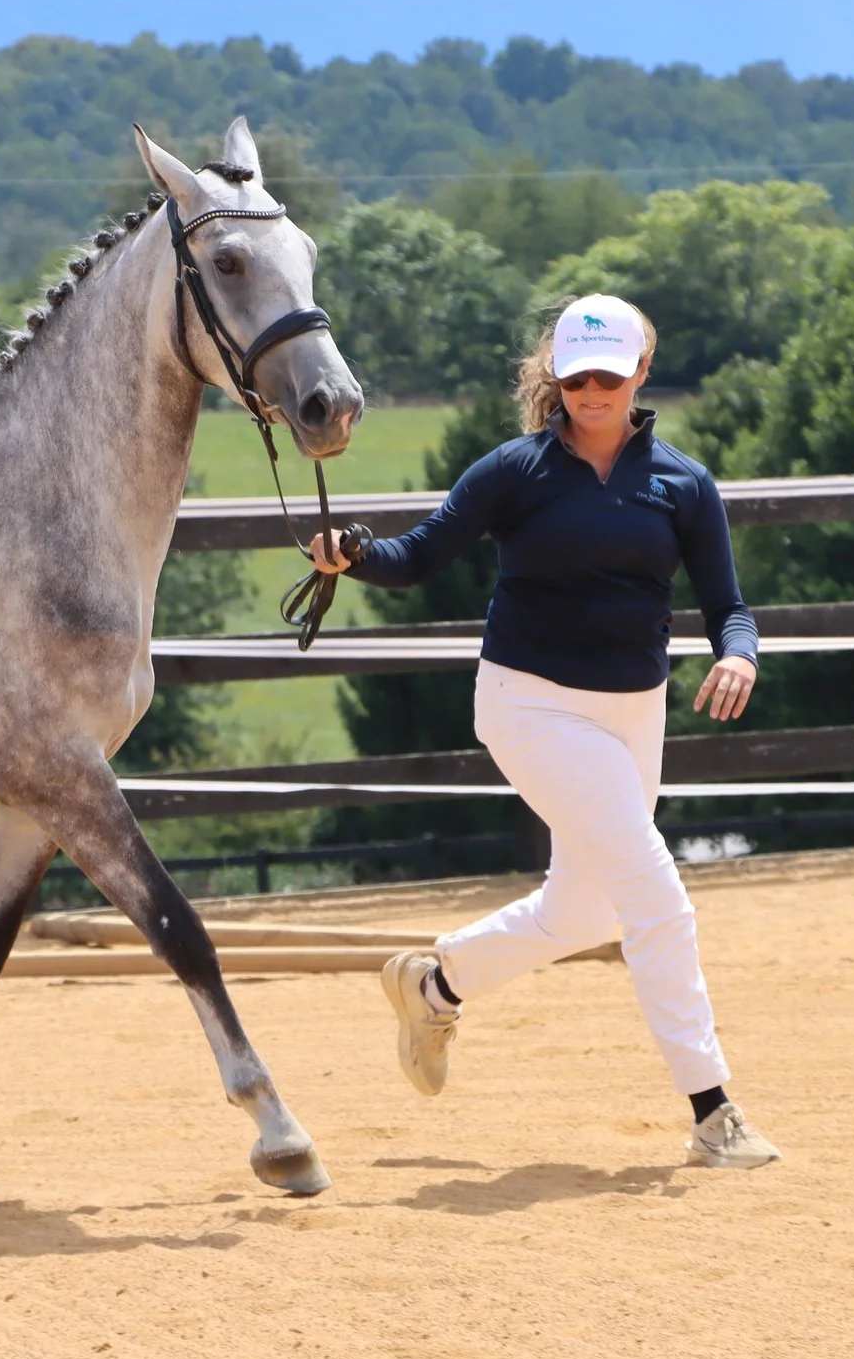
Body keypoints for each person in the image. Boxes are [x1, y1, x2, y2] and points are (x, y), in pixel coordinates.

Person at [309, 293, 780, 1169]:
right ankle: (714, 1109)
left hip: (634, 711)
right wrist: (355, 553)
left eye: (608, 375)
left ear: (641, 375)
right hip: (529, 705)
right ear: (555, 379)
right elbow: (420, 553)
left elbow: (730, 607)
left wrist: (740, 656)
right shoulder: (513, 471)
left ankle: (434, 983)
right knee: (654, 894)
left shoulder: (683, 482)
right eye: (576, 378)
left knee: (582, 909)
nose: (591, 391)